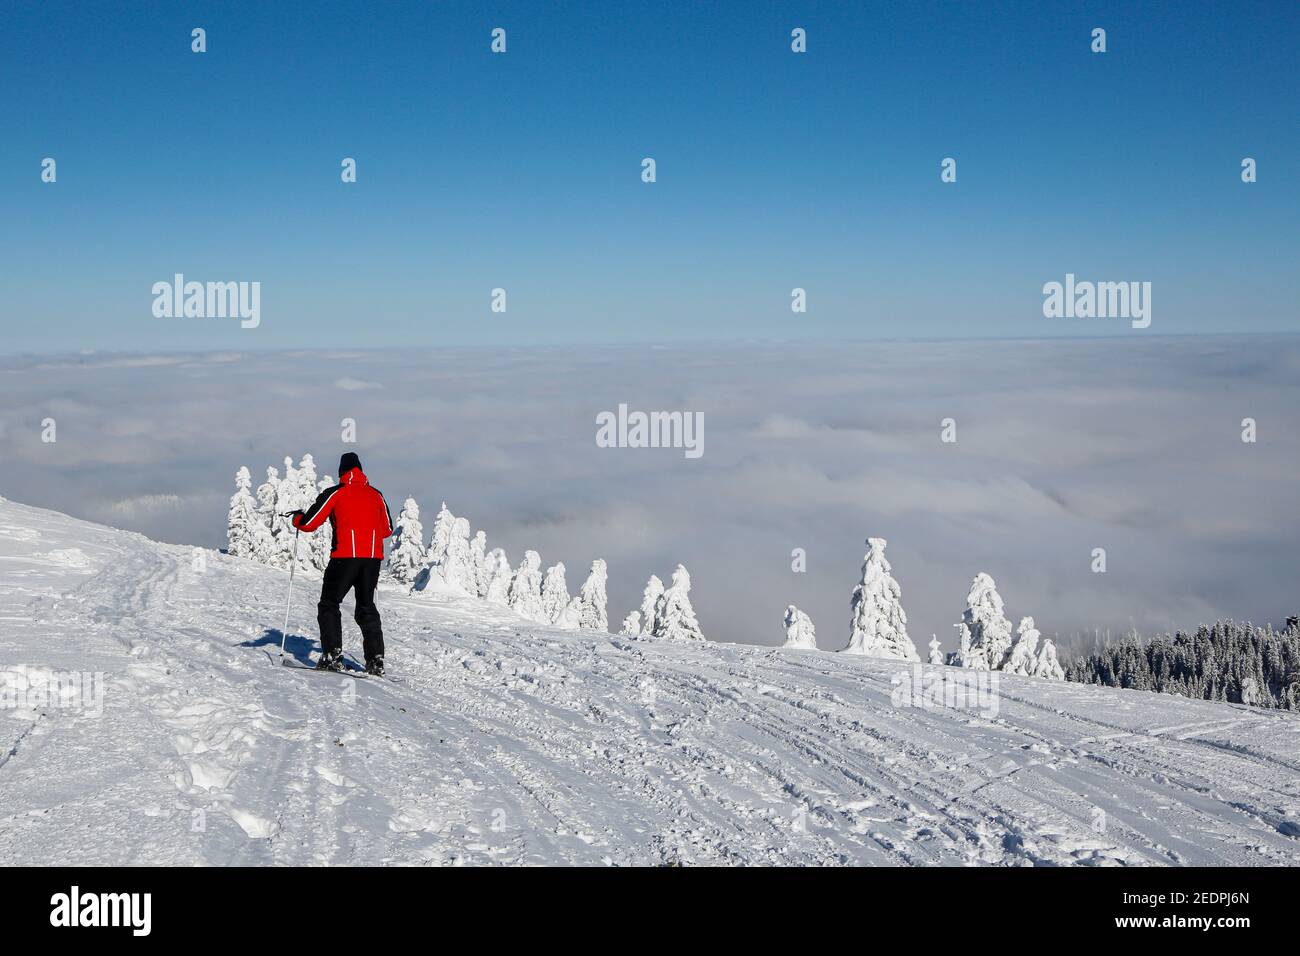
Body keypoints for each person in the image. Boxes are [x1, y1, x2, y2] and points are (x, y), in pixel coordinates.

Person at [291, 452, 393, 675]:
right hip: (372, 560)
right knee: (366, 607)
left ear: (341, 472)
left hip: (345, 557)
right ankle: (375, 660)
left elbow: (309, 523)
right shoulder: (376, 495)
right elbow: (387, 530)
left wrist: (296, 519)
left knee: (329, 604)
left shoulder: (336, 492)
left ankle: (332, 656)